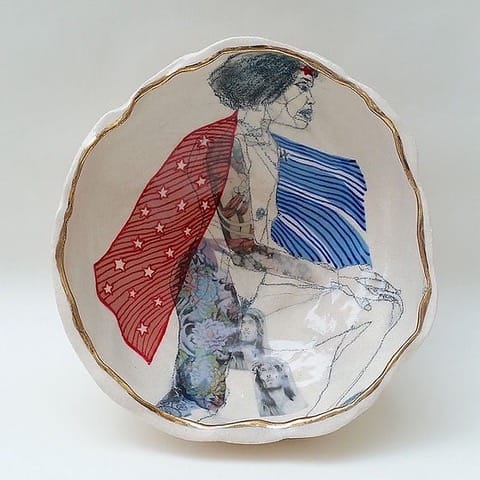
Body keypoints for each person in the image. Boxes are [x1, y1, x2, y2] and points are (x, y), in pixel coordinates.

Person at [94, 52, 403, 419]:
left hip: (255, 285)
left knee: (382, 303)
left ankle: (304, 411)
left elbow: (260, 240)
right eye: (301, 87)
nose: (311, 100)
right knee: (199, 406)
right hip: (216, 291)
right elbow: (243, 249)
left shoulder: (266, 145)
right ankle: (288, 409)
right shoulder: (227, 147)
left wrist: (339, 278)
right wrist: (333, 279)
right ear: (266, 90)